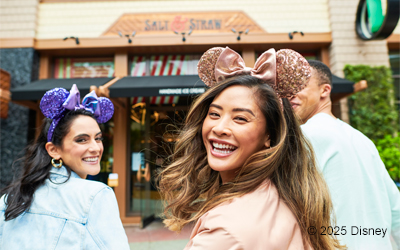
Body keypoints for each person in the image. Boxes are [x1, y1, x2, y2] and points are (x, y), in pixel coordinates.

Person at [159, 47, 345, 249]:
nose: (220, 128)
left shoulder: (226, 230)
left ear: (270, 135)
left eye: (240, 118)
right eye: (214, 114)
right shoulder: (291, 197)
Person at [0, 84, 130, 250]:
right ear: (54, 150)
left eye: (98, 138)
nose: (96, 148)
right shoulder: (95, 196)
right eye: (81, 140)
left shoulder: (10, 199)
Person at [290, 60, 400, 250]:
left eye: (298, 85)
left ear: (324, 90)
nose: (289, 94)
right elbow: (396, 209)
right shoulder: (363, 140)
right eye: (286, 87)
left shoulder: (304, 137)